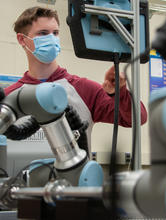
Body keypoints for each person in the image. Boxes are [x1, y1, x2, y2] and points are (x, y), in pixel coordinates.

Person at [4, 6, 147, 155]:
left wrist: (120, 93)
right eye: (43, 33)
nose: (52, 39)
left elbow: (138, 118)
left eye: (55, 33)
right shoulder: (10, 97)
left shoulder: (84, 89)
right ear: (22, 39)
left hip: (76, 177)